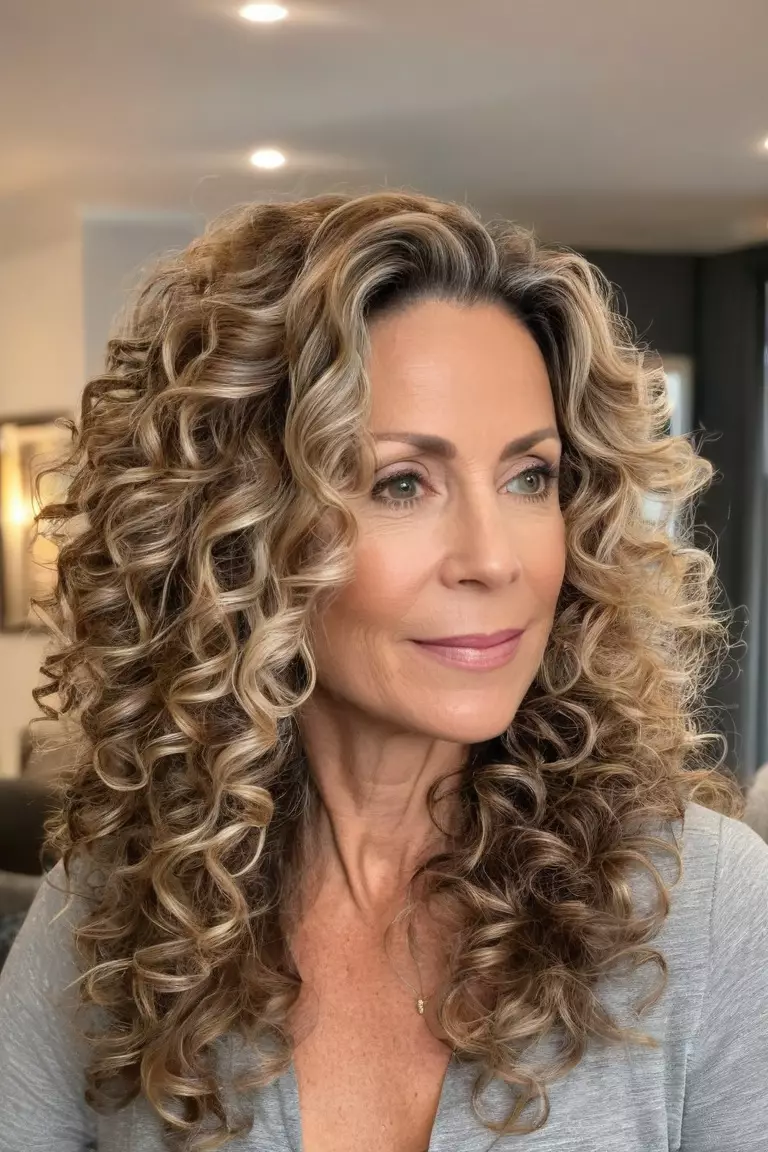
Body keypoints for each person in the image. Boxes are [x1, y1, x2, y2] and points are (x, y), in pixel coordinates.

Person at [0, 191, 766, 1152]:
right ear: (240, 532)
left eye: (531, 477)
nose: (496, 559)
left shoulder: (705, 908)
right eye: (401, 483)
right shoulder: (109, 926)